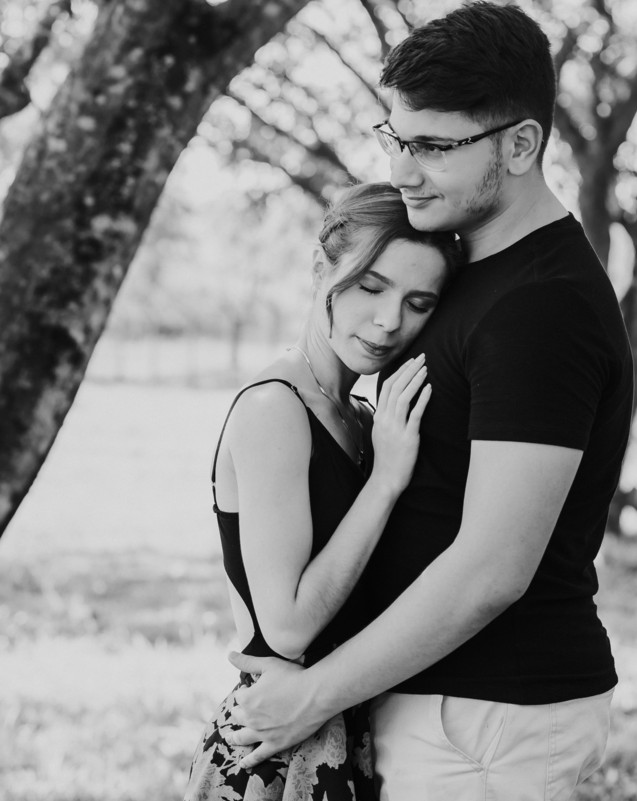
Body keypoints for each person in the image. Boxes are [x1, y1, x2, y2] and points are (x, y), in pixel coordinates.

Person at [225, 4, 635, 800]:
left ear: (521, 145)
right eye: (397, 139)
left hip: (489, 714)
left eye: (435, 148)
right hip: (440, 705)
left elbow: (492, 569)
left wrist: (313, 694)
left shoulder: (541, 306)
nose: (404, 171)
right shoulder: (465, 271)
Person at [183, 182, 463, 800]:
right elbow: (287, 628)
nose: (390, 321)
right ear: (320, 270)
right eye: (371, 287)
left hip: (347, 727)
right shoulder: (274, 408)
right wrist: (385, 482)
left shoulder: (362, 417)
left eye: (418, 302)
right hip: (277, 750)